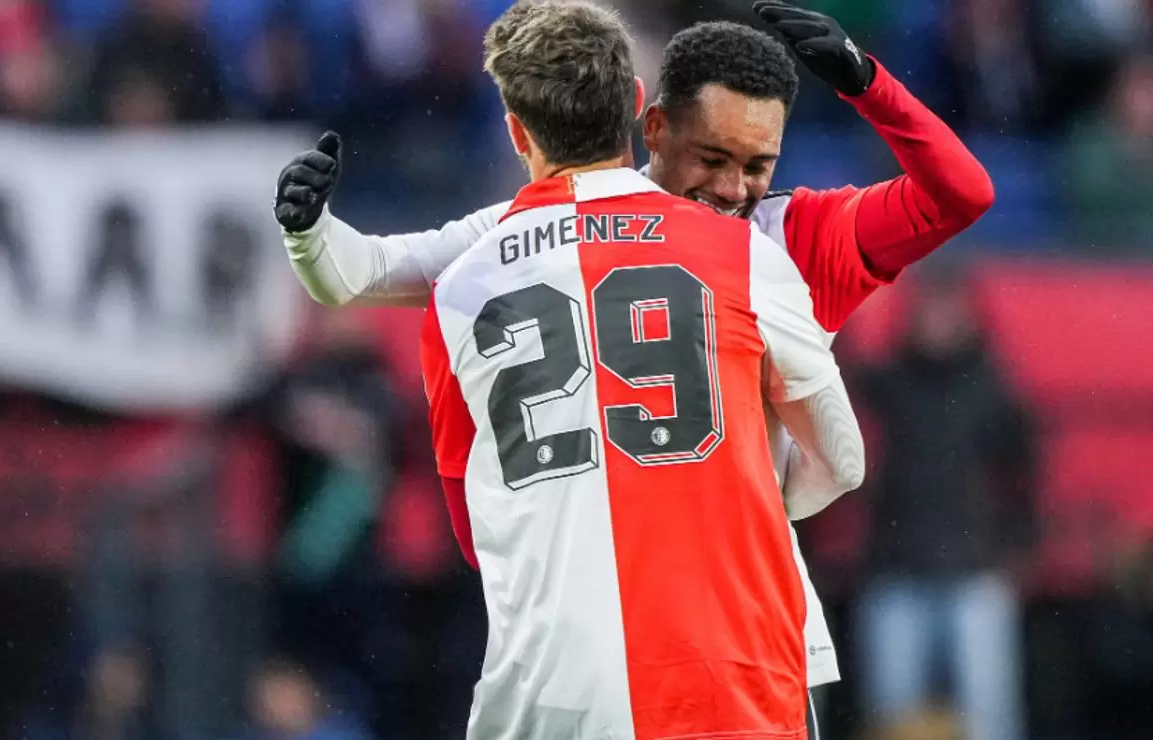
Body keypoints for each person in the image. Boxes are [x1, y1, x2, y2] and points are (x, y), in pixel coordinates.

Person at [272, 0, 993, 725]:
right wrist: (309, 231)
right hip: (715, 646)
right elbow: (364, 271)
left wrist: (868, 82)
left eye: (757, 165)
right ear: (651, 126)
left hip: (703, 619)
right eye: (712, 158)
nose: (733, 189)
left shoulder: (784, 231)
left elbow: (963, 193)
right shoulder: (742, 251)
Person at [416, 3, 864, 738]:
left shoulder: (458, 289)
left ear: (516, 129)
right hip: (733, 676)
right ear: (635, 108)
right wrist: (729, 505)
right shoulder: (745, 254)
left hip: (550, 694)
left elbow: (475, 532)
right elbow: (842, 462)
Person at [852, 270, 1036, 740]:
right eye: (928, 309)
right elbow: (836, 375)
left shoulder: (993, 388)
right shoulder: (892, 380)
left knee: (988, 719)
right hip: (896, 567)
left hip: (975, 572)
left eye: (946, 308)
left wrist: (1018, 544)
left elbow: (1024, 475)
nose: (936, 320)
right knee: (893, 718)